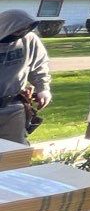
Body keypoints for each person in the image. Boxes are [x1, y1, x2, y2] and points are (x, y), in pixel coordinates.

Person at [0, 9, 51, 145]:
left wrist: (43, 88)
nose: (21, 34)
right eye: (17, 31)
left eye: (25, 30)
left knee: (15, 151)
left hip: (12, 106)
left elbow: (39, 65)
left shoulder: (29, 40)